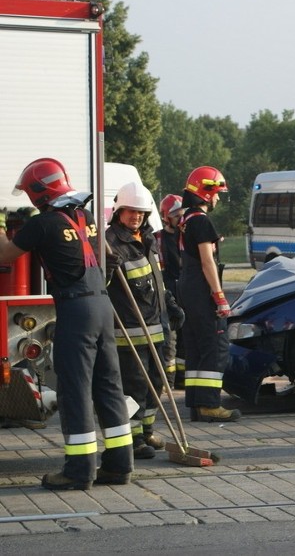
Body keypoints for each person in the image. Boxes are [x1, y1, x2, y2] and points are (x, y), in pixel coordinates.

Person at [0, 158, 133, 489]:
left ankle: (78, 471)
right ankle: (119, 466)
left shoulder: (42, 224)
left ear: (37, 193)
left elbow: (5, 256)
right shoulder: (84, 216)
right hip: (102, 305)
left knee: (75, 391)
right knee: (108, 385)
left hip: (76, 310)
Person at [105, 181, 169, 460]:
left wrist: (171, 305)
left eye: (141, 213)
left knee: (156, 382)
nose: (136, 217)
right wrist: (107, 269)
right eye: (130, 211)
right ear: (119, 212)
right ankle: (131, 439)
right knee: (134, 386)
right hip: (129, 331)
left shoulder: (148, 240)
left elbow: (156, 281)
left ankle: (146, 431)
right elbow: (102, 283)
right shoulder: (109, 243)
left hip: (156, 326)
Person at [178, 166, 241, 422]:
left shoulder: (187, 219)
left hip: (187, 288)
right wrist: (219, 296)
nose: (217, 199)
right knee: (215, 347)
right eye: (216, 194)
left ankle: (196, 404)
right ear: (206, 193)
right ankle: (210, 405)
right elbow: (207, 262)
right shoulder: (202, 221)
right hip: (202, 291)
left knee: (197, 347)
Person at [157, 194, 186, 389]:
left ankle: (183, 380)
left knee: (187, 338)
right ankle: (168, 382)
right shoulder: (157, 239)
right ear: (166, 217)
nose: (180, 219)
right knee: (170, 339)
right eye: (176, 215)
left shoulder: (187, 237)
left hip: (186, 290)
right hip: (168, 293)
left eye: (182, 215)